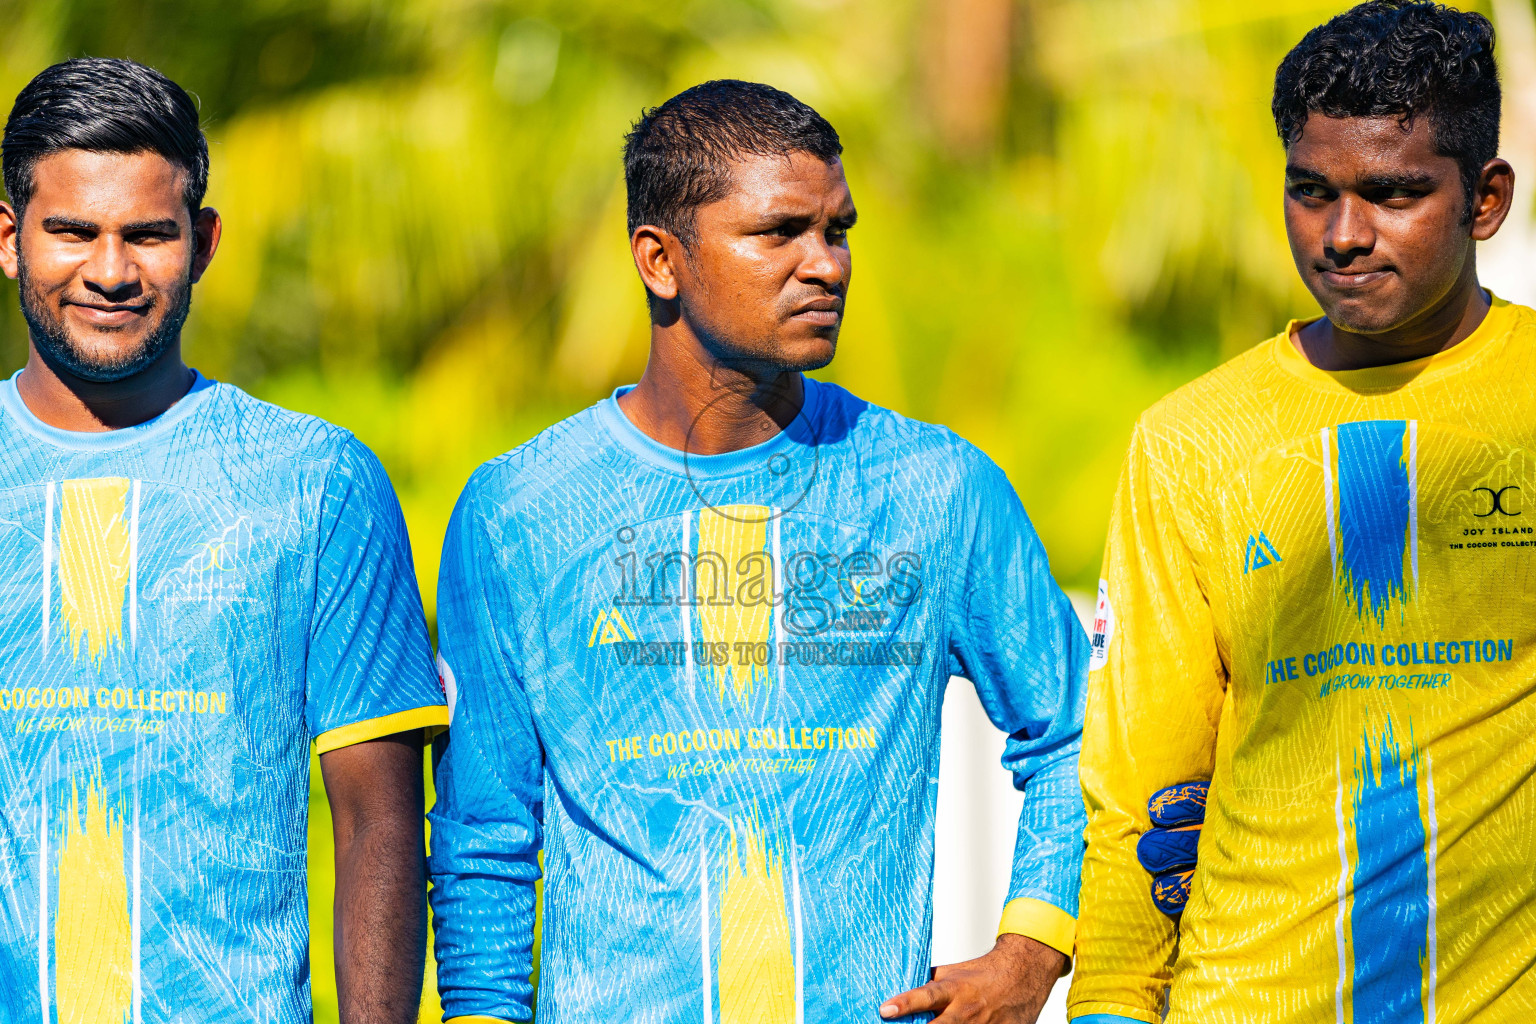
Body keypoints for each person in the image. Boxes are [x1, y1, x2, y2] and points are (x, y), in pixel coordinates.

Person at [427, 79, 1088, 1023]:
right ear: (661, 260)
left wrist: (1029, 956)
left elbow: (1078, 735)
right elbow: (485, 833)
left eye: (838, 231)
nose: (826, 265)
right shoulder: (521, 511)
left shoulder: (934, 488)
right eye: (779, 233)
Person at [1068, 2, 1532, 1021]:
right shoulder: (1189, 439)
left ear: (1486, 199)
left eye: (1395, 193)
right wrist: (1109, 1004)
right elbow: (1138, 782)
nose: (1344, 235)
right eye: (1312, 192)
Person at [0, 58, 446, 1023]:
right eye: (72, 231)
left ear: (202, 244)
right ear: (9, 239)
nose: (110, 271)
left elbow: (377, 823)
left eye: (148, 234)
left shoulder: (315, 481)